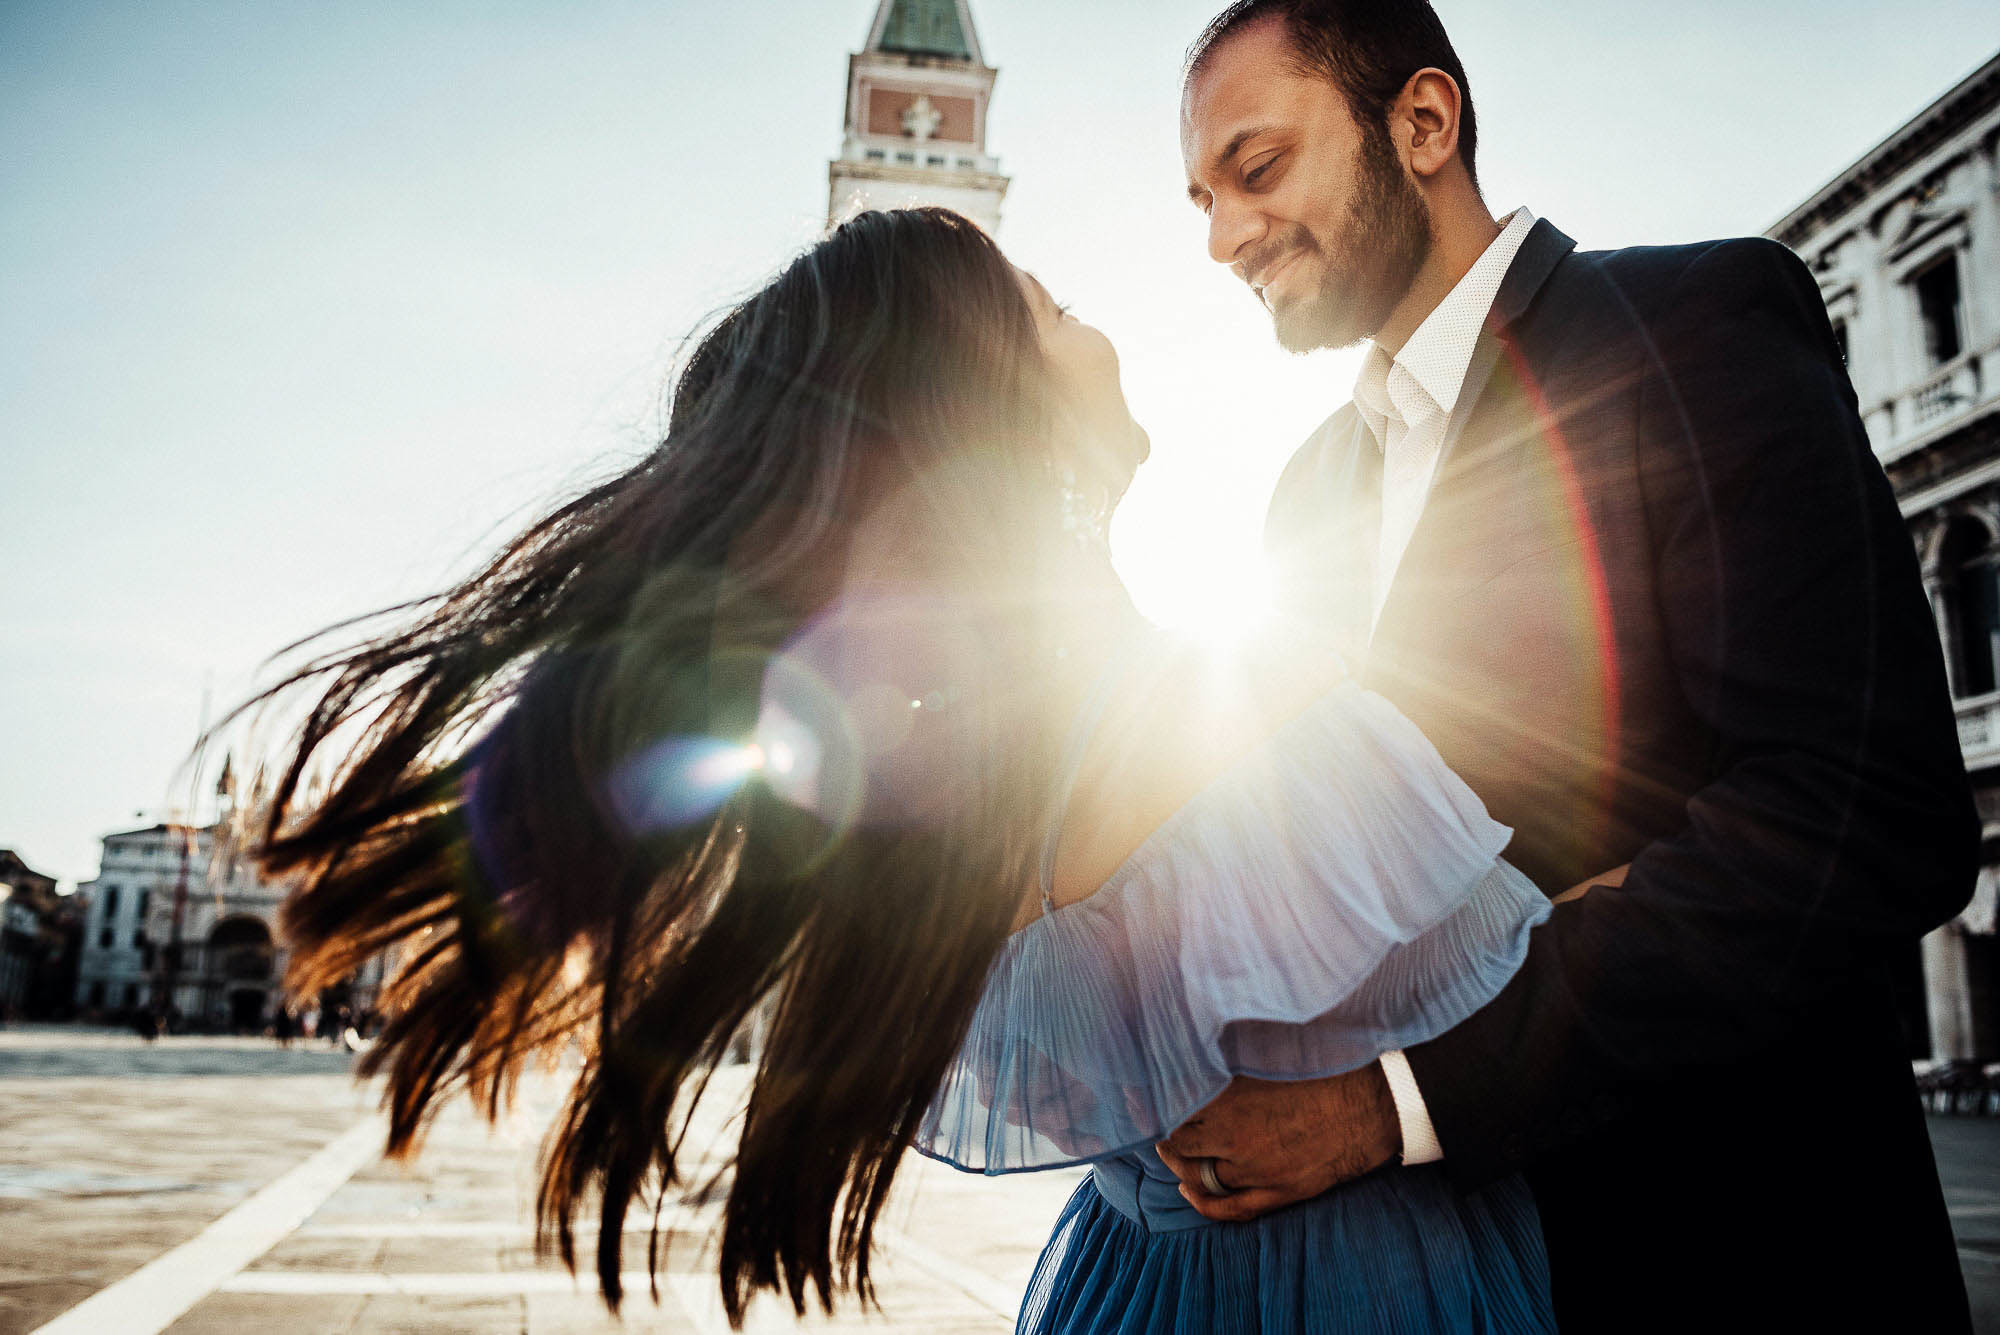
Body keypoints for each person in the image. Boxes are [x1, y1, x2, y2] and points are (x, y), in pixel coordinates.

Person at [247, 205, 1569, 1330]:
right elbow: (1531, 962)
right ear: (1001, 418)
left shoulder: (954, 802)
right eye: (1053, 312)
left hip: (1128, 1286)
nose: (1094, 327)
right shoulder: (1222, 704)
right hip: (1350, 1289)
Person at [1170, 2, 1978, 1329]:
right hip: (1429, 1285)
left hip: (1735, 1254)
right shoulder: (1305, 494)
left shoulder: (1696, 329)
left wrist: (1390, 1105)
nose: (1222, 237)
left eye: (1255, 170)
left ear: (1422, 123)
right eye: (1202, 200)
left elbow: (1864, 812)